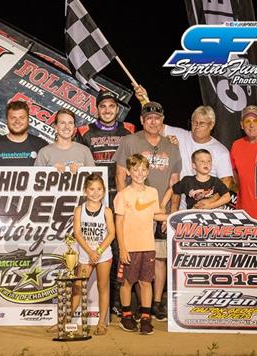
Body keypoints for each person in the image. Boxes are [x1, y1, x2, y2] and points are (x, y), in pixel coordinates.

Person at [113, 101, 181, 321]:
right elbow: (120, 175)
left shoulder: (172, 145)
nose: (153, 121)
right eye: (149, 118)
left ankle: (155, 304)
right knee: (129, 256)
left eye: (158, 118)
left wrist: (171, 212)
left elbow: (175, 182)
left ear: (163, 122)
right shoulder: (130, 140)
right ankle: (124, 306)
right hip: (135, 213)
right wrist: (126, 205)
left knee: (158, 259)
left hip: (159, 209)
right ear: (142, 120)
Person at [75, 89, 133, 317]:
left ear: (117, 109)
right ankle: (90, 303)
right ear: (97, 109)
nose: (107, 110)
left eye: (111, 106)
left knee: (117, 251)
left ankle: (117, 302)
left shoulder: (128, 130)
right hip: (95, 194)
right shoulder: (85, 132)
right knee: (92, 247)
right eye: (103, 106)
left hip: (118, 193)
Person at [114, 154, 168, 335]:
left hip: (148, 246)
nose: (139, 173)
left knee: (146, 282)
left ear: (148, 172)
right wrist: (122, 248)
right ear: (128, 171)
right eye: (135, 170)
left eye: (143, 170)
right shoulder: (122, 195)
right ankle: (126, 315)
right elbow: (118, 223)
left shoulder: (153, 192)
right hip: (129, 247)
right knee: (127, 283)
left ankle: (145, 318)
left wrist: (173, 217)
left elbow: (156, 215)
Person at [71, 174, 115, 336]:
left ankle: (101, 323)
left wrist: (98, 252)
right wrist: (90, 252)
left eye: (99, 189)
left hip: (103, 255)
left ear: (103, 192)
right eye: (91, 189)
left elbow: (111, 234)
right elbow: (77, 233)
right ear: (85, 191)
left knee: (102, 287)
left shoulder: (107, 211)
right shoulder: (79, 210)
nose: (95, 193)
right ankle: (65, 320)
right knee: (77, 288)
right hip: (85, 255)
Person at [162, 149, 231, 211]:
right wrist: (162, 206)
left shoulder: (216, 181)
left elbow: (227, 197)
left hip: (212, 217)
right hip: (193, 216)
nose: (206, 163)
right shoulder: (187, 181)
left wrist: (210, 206)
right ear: (194, 165)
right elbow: (171, 190)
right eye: (202, 161)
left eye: (209, 161)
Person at [0, 100, 48, 166]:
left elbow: (52, 170)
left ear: (28, 120)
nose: (17, 121)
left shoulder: (41, 145)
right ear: (7, 120)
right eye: (13, 118)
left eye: (22, 118)